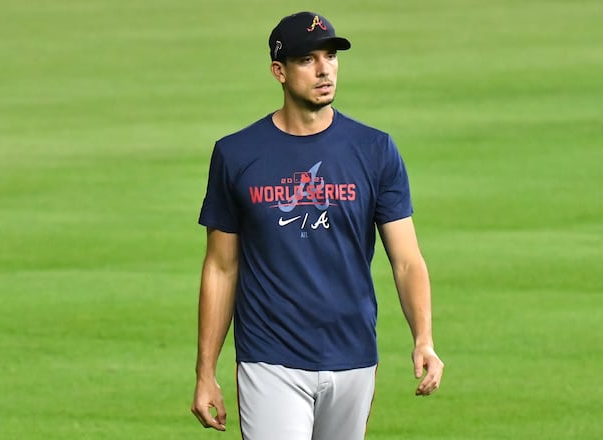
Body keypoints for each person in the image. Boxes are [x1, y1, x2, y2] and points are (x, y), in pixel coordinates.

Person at [190, 11, 444, 439]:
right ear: (279, 71)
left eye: (330, 56)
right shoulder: (236, 155)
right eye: (307, 59)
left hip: (354, 355)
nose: (324, 69)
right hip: (270, 358)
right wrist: (205, 371)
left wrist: (424, 338)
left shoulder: (375, 150)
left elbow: (406, 260)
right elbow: (220, 267)